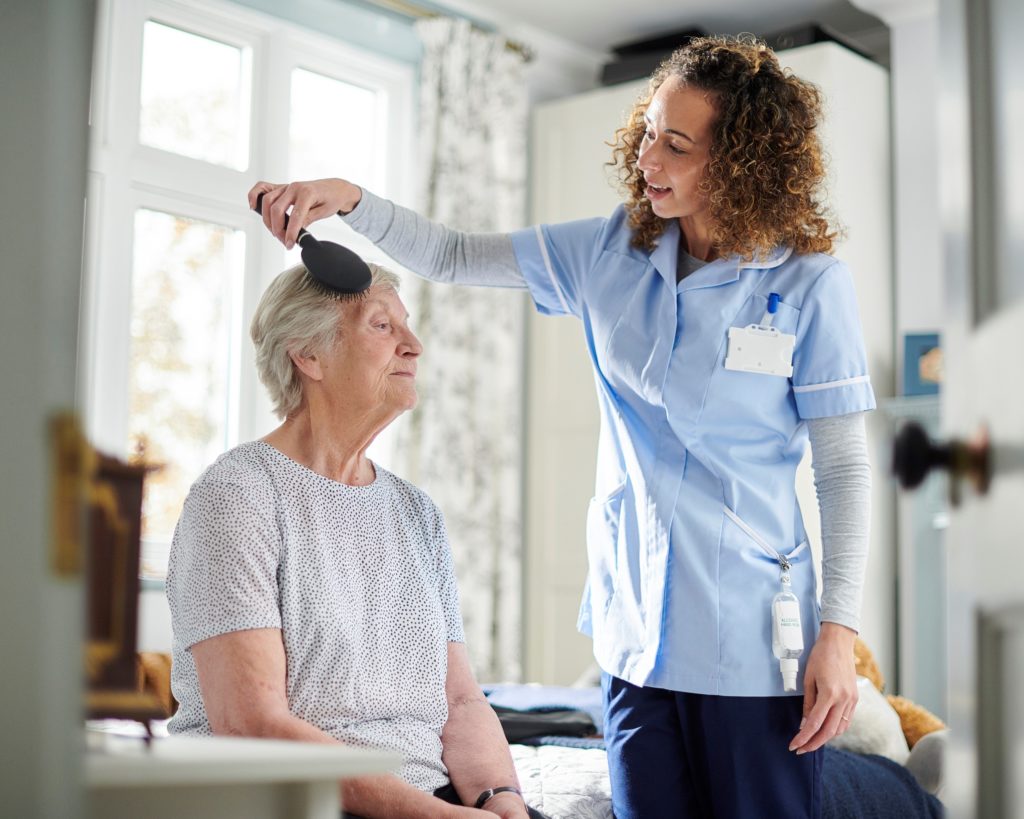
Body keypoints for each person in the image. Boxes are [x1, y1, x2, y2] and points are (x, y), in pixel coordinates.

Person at [249, 34, 874, 819]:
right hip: (634, 637)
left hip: (751, 640)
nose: (648, 157)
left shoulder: (809, 284)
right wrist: (350, 200)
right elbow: (450, 253)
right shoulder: (611, 249)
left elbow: (844, 467)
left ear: (742, 161)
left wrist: (839, 632)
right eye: (648, 131)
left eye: (676, 144)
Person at [166, 262, 547, 819]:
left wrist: (502, 800)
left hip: (422, 799)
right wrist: (442, 817)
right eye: (382, 326)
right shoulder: (238, 494)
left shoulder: (416, 512)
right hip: (293, 798)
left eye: (407, 326)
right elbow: (250, 723)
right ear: (309, 355)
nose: (413, 346)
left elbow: (462, 701)